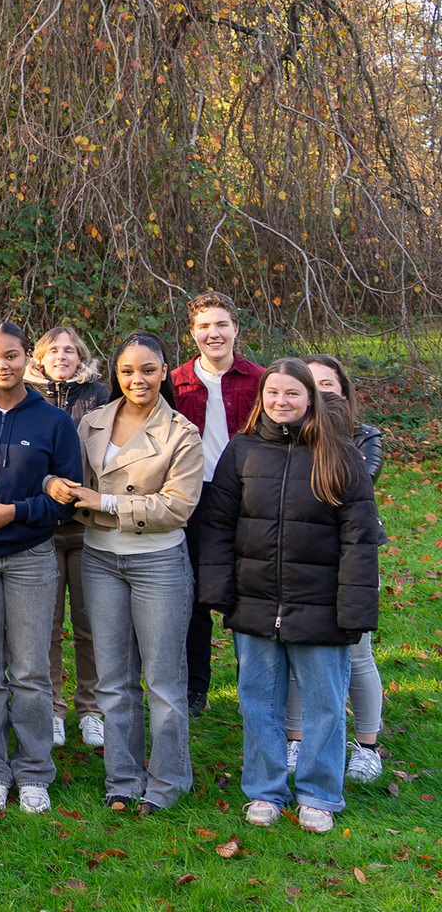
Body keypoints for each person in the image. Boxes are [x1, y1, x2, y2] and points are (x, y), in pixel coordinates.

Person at [196, 358, 379, 835]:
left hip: (321, 602)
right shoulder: (242, 450)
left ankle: (319, 793)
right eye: (273, 392)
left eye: (292, 393)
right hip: (255, 598)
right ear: (261, 398)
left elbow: (360, 539)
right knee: (258, 701)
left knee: (324, 704)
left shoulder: (340, 454)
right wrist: (219, 590)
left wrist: (354, 608)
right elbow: (218, 524)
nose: (282, 401)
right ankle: (265, 789)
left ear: (310, 399)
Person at [45, 332, 203, 816]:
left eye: (149, 370)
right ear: (116, 373)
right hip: (99, 558)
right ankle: (123, 777)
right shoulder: (92, 422)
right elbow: (66, 473)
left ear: (164, 372)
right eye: (128, 370)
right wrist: (53, 484)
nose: (138, 379)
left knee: (163, 681)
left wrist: (107, 502)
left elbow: (177, 507)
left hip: (157, 562)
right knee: (113, 679)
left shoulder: (181, 432)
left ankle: (169, 779)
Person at [0, 322, 80, 814]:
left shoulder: (54, 422)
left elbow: (67, 500)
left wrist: (15, 512)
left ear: (29, 359)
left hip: (30, 557)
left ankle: (34, 771)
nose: (1, 365)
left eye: (11, 356)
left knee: (29, 670)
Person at [284, 355, 387, 784]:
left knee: (357, 654)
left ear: (343, 391)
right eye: (311, 384)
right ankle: (295, 740)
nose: (320, 391)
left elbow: (348, 486)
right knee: (295, 648)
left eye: (327, 384)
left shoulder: (365, 437)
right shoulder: (285, 436)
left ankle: (367, 746)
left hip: (350, 557)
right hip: (298, 557)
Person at [170, 291, 263, 717]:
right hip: (192, 496)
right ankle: (196, 688)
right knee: (192, 594)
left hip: (248, 494)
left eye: (221, 324)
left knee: (248, 591)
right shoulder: (174, 383)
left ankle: (255, 687)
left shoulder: (259, 380)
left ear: (235, 328)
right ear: (192, 333)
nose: (214, 333)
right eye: (204, 326)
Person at [25, 325, 111, 749]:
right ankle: (53, 709)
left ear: (81, 357)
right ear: (39, 358)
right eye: (53, 350)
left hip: (86, 526)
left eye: (70, 350)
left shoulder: (99, 395)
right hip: (42, 526)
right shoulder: (26, 395)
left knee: (89, 624)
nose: (61, 356)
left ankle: (91, 709)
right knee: (47, 626)